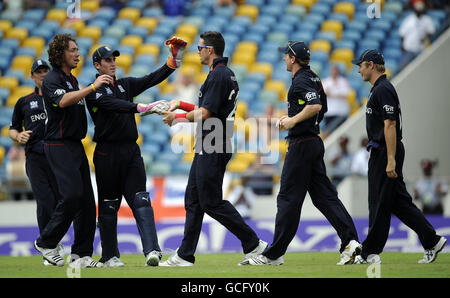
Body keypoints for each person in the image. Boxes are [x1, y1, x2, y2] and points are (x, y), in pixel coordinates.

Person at [244, 41, 361, 266]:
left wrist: (292, 121)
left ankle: (274, 254)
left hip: (301, 144)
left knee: (288, 198)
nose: (283, 59)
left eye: (286, 55)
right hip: (313, 141)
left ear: (293, 58)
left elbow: (315, 106)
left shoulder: (301, 81)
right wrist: (304, 121)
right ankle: (351, 242)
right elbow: (321, 108)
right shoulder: (314, 77)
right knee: (325, 197)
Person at [159, 31, 267, 266]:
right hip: (209, 142)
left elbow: (205, 113)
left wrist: (177, 118)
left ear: (209, 50)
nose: (197, 52)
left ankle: (254, 244)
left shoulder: (219, 75)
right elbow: (205, 107)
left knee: (210, 202)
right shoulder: (219, 74)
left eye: (199, 48)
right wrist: (178, 103)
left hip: (214, 142)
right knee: (194, 199)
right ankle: (185, 255)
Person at [85, 38, 186, 267]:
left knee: (141, 200)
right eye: (107, 60)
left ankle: (152, 251)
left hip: (130, 151)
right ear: (97, 66)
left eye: (114, 59)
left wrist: (174, 59)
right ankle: (110, 256)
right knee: (109, 205)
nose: (113, 63)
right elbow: (112, 104)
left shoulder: (125, 85)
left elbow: (152, 78)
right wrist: (141, 107)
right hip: (106, 153)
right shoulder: (92, 92)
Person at [352, 49, 446, 264]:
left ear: (371, 65)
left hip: (385, 150)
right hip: (384, 150)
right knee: (398, 202)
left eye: (361, 65)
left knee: (379, 202)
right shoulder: (380, 89)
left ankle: (370, 252)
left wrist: (391, 158)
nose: (358, 70)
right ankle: (431, 240)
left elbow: (390, 123)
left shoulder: (383, 89)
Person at [33, 33, 113, 268]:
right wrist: (92, 87)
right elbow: (64, 101)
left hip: (75, 144)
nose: (78, 54)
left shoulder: (72, 79)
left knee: (88, 202)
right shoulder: (52, 79)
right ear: (60, 54)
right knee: (72, 195)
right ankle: (46, 241)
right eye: (73, 50)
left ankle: (82, 254)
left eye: (77, 50)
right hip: (57, 144)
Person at [9, 60, 65, 263]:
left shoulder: (60, 97)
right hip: (35, 157)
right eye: (38, 72)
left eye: (45, 71)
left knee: (62, 199)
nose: (42, 75)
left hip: (58, 154)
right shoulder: (24, 102)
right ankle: (49, 247)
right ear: (32, 77)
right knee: (44, 201)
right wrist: (18, 136)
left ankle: (51, 242)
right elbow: (13, 128)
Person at [399, 0, 435, 68]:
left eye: (420, 9)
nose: (419, 11)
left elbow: (431, 32)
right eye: (417, 9)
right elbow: (402, 33)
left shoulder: (427, 20)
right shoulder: (409, 19)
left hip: (420, 49)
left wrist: (425, 37)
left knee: (420, 68)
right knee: (404, 68)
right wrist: (402, 45)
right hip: (409, 48)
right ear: (414, 9)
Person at [322, 64, 351, 135]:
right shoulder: (326, 81)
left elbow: (345, 95)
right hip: (329, 112)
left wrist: (332, 92)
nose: (334, 72)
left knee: (342, 134)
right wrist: (337, 92)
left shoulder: (343, 81)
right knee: (330, 133)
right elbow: (324, 93)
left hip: (342, 111)